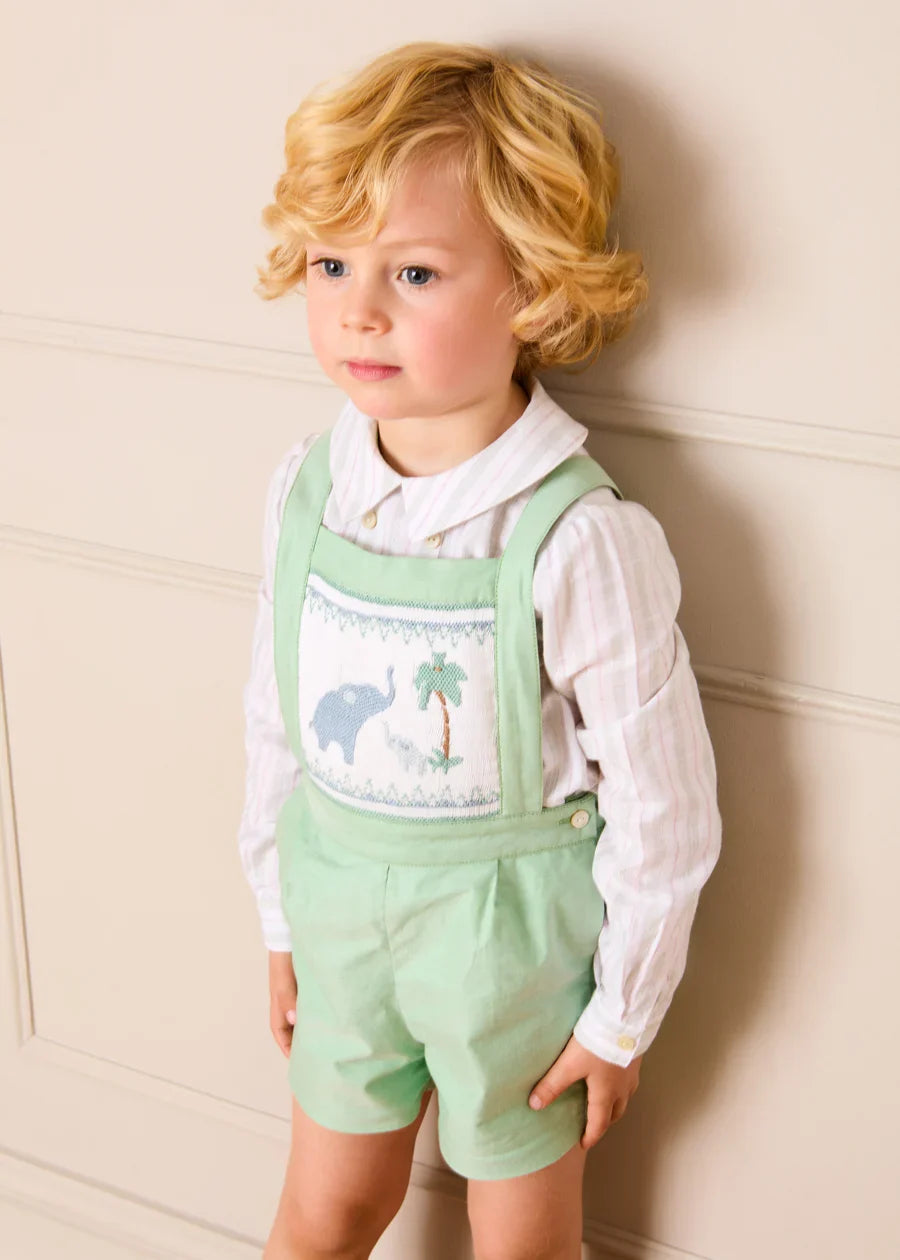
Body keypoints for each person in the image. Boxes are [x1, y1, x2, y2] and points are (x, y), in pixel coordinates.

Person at [237, 40, 722, 1260]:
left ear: (535, 289)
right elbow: (275, 719)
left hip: (508, 952)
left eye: (413, 271)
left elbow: (665, 806)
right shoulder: (308, 492)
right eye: (333, 263)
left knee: (521, 1241)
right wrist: (279, 914)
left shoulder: (576, 538)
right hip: (340, 918)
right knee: (323, 1213)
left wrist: (620, 1016)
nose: (358, 308)